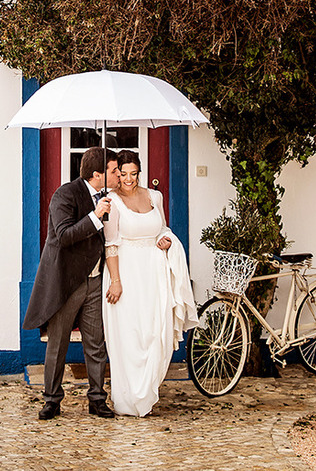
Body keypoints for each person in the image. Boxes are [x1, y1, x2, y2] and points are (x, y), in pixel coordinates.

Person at [22, 146, 118, 420]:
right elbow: (63, 235)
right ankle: (52, 400)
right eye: (113, 170)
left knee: (95, 344)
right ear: (97, 174)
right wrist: (95, 216)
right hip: (67, 282)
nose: (118, 174)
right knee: (58, 344)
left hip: (95, 281)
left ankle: (97, 399)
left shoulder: (108, 198)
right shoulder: (64, 195)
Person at [102, 149, 199, 416]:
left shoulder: (155, 196)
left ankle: (148, 392)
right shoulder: (111, 200)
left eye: (133, 174)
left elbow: (162, 228)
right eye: (123, 174)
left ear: (139, 172)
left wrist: (165, 240)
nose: (129, 179)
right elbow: (111, 244)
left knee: (156, 331)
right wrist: (116, 281)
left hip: (154, 273)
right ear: (117, 174)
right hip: (125, 273)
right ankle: (129, 398)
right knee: (130, 334)